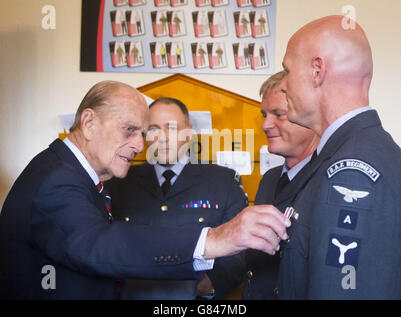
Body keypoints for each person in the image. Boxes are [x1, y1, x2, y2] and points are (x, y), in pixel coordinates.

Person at [0, 80, 290, 299]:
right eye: (130, 130)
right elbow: (100, 245)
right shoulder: (58, 179)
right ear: (88, 123)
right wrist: (213, 238)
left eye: (143, 133)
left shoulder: (75, 174)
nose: (141, 145)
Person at [278, 15, 401, 299]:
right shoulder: (360, 152)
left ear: (317, 71)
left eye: (286, 70)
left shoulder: (353, 171)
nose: (283, 85)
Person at [106, 97, 247, 299]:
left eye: (171, 128)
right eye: (154, 129)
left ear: (188, 132)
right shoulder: (120, 182)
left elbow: (239, 250)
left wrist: (207, 286)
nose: (162, 138)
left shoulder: (223, 181)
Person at [241, 71, 319, 299]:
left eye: (279, 114)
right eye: (264, 114)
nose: (266, 124)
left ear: (311, 115)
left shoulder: (329, 180)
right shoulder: (271, 178)